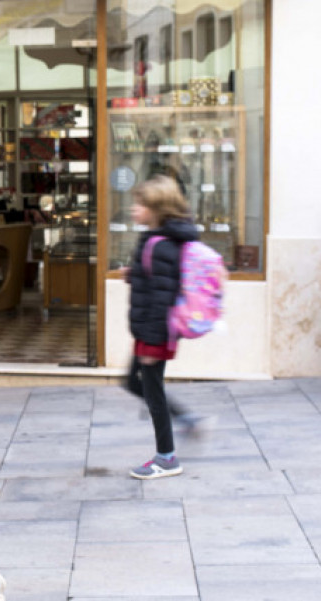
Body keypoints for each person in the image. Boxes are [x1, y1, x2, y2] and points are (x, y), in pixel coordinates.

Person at [120, 175, 199, 480]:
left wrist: (152, 344)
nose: (133, 209)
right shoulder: (154, 238)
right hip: (148, 330)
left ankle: (166, 457)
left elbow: (164, 296)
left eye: (139, 204)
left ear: (156, 209)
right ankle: (184, 420)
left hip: (154, 332)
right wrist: (134, 273)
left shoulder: (162, 244)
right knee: (132, 382)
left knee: (153, 393)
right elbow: (155, 281)